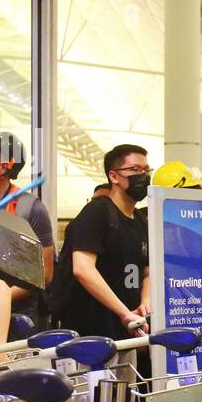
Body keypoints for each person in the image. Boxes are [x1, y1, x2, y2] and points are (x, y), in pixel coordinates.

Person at [50, 143, 150, 340]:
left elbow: (147, 271)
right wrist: (124, 313)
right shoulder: (97, 213)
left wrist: (145, 304)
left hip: (127, 330)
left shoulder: (140, 220)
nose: (143, 176)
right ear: (114, 176)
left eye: (146, 170)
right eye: (135, 169)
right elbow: (82, 268)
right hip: (89, 334)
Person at [0, 131, 55, 327]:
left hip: (21, 314)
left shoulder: (30, 208)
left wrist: (3, 297)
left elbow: (46, 274)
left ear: (5, 165)